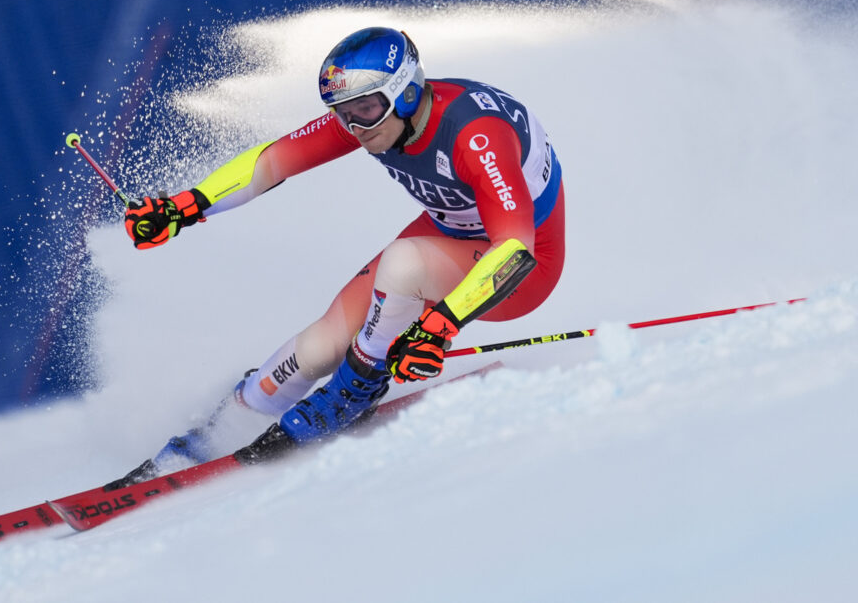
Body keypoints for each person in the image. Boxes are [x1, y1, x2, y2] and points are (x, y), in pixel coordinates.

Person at [107, 26, 565, 488]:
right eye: (343, 114)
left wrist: (440, 326)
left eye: (364, 111)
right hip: (451, 233)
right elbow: (274, 161)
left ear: (406, 93)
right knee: (318, 347)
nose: (355, 127)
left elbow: (514, 250)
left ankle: (354, 388)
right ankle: (215, 434)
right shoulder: (376, 116)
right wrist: (188, 205)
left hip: (521, 268)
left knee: (402, 264)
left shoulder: (475, 135)